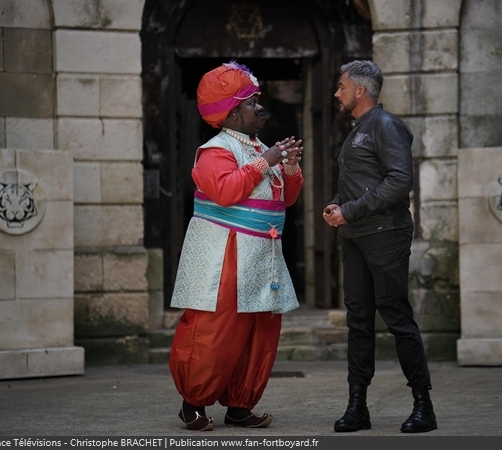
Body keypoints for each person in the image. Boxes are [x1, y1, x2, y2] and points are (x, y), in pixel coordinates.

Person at [168, 61, 304, 431]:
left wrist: (289, 167)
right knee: (216, 328)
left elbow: (284, 201)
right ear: (230, 113)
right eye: (251, 101)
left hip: (262, 252)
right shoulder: (214, 151)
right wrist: (267, 161)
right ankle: (192, 402)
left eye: (258, 100)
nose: (260, 107)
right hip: (223, 254)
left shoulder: (260, 147)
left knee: (259, 329)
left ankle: (240, 404)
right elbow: (226, 191)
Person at [323, 60, 437, 433]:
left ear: (360, 91)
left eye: (341, 87)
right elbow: (364, 182)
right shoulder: (359, 129)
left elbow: (400, 181)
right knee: (358, 321)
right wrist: (340, 207)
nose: (337, 93)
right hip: (355, 238)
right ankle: (358, 407)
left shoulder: (386, 126)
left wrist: (350, 210)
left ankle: (424, 406)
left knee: (396, 316)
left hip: (386, 235)